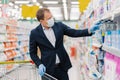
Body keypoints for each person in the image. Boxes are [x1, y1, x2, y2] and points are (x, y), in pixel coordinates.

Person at [29, 8, 101, 80]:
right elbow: (32, 53)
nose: (52, 19)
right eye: (49, 18)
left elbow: (73, 32)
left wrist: (89, 30)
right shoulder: (35, 33)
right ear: (41, 21)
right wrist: (39, 64)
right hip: (47, 69)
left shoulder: (59, 26)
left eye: (51, 17)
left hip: (62, 67)